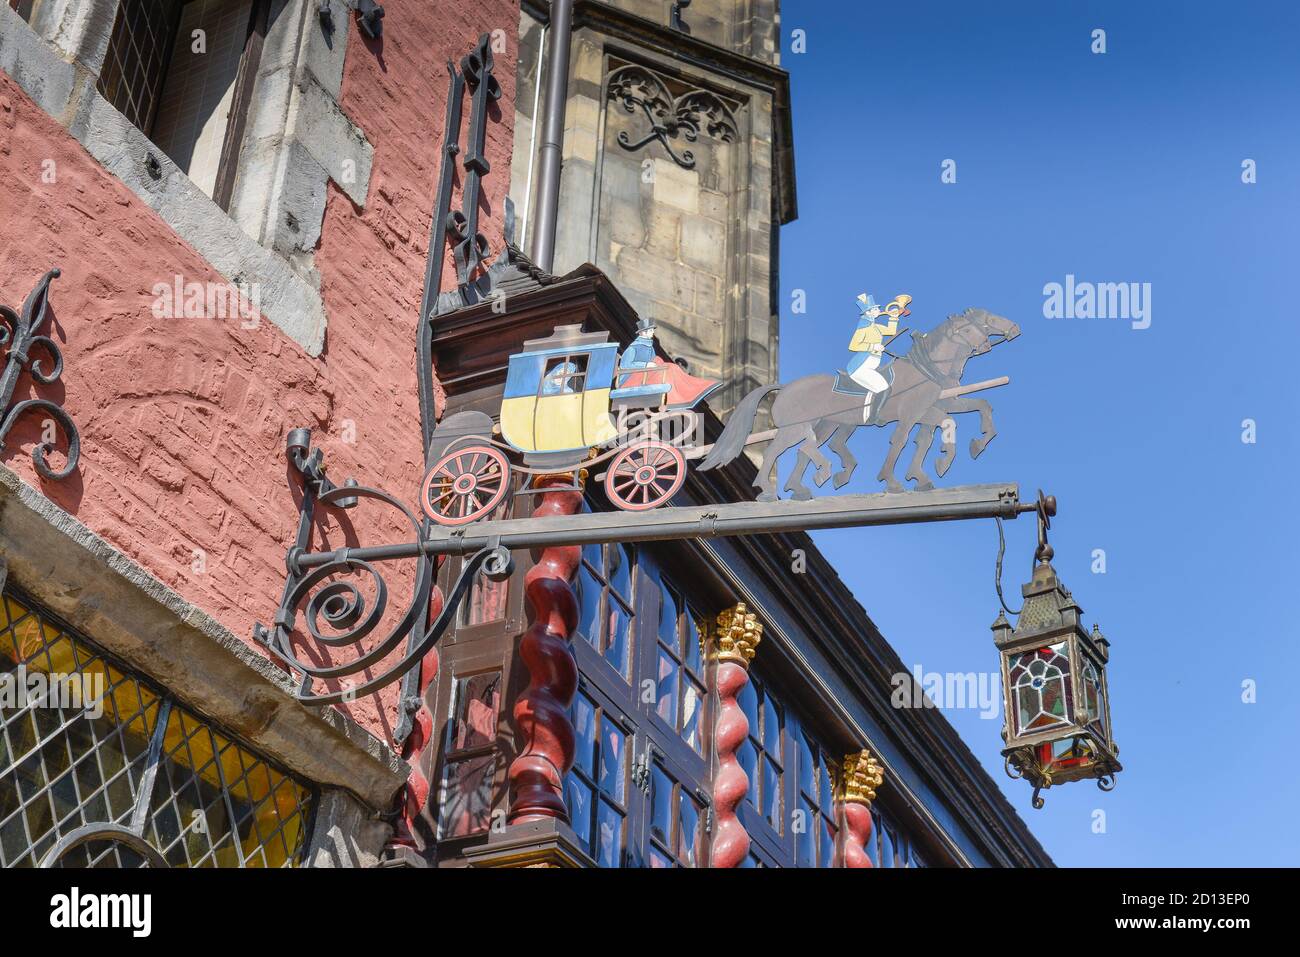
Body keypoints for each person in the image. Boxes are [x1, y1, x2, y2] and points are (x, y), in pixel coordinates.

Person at [844, 292, 911, 420]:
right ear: (868, 312)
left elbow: (891, 331)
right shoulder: (863, 327)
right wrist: (873, 346)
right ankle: (873, 417)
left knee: (885, 387)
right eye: (875, 309)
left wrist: (894, 317)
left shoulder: (876, 327)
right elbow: (853, 345)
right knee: (884, 389)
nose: (879, 310)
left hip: (870, 365)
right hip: (860, 367)